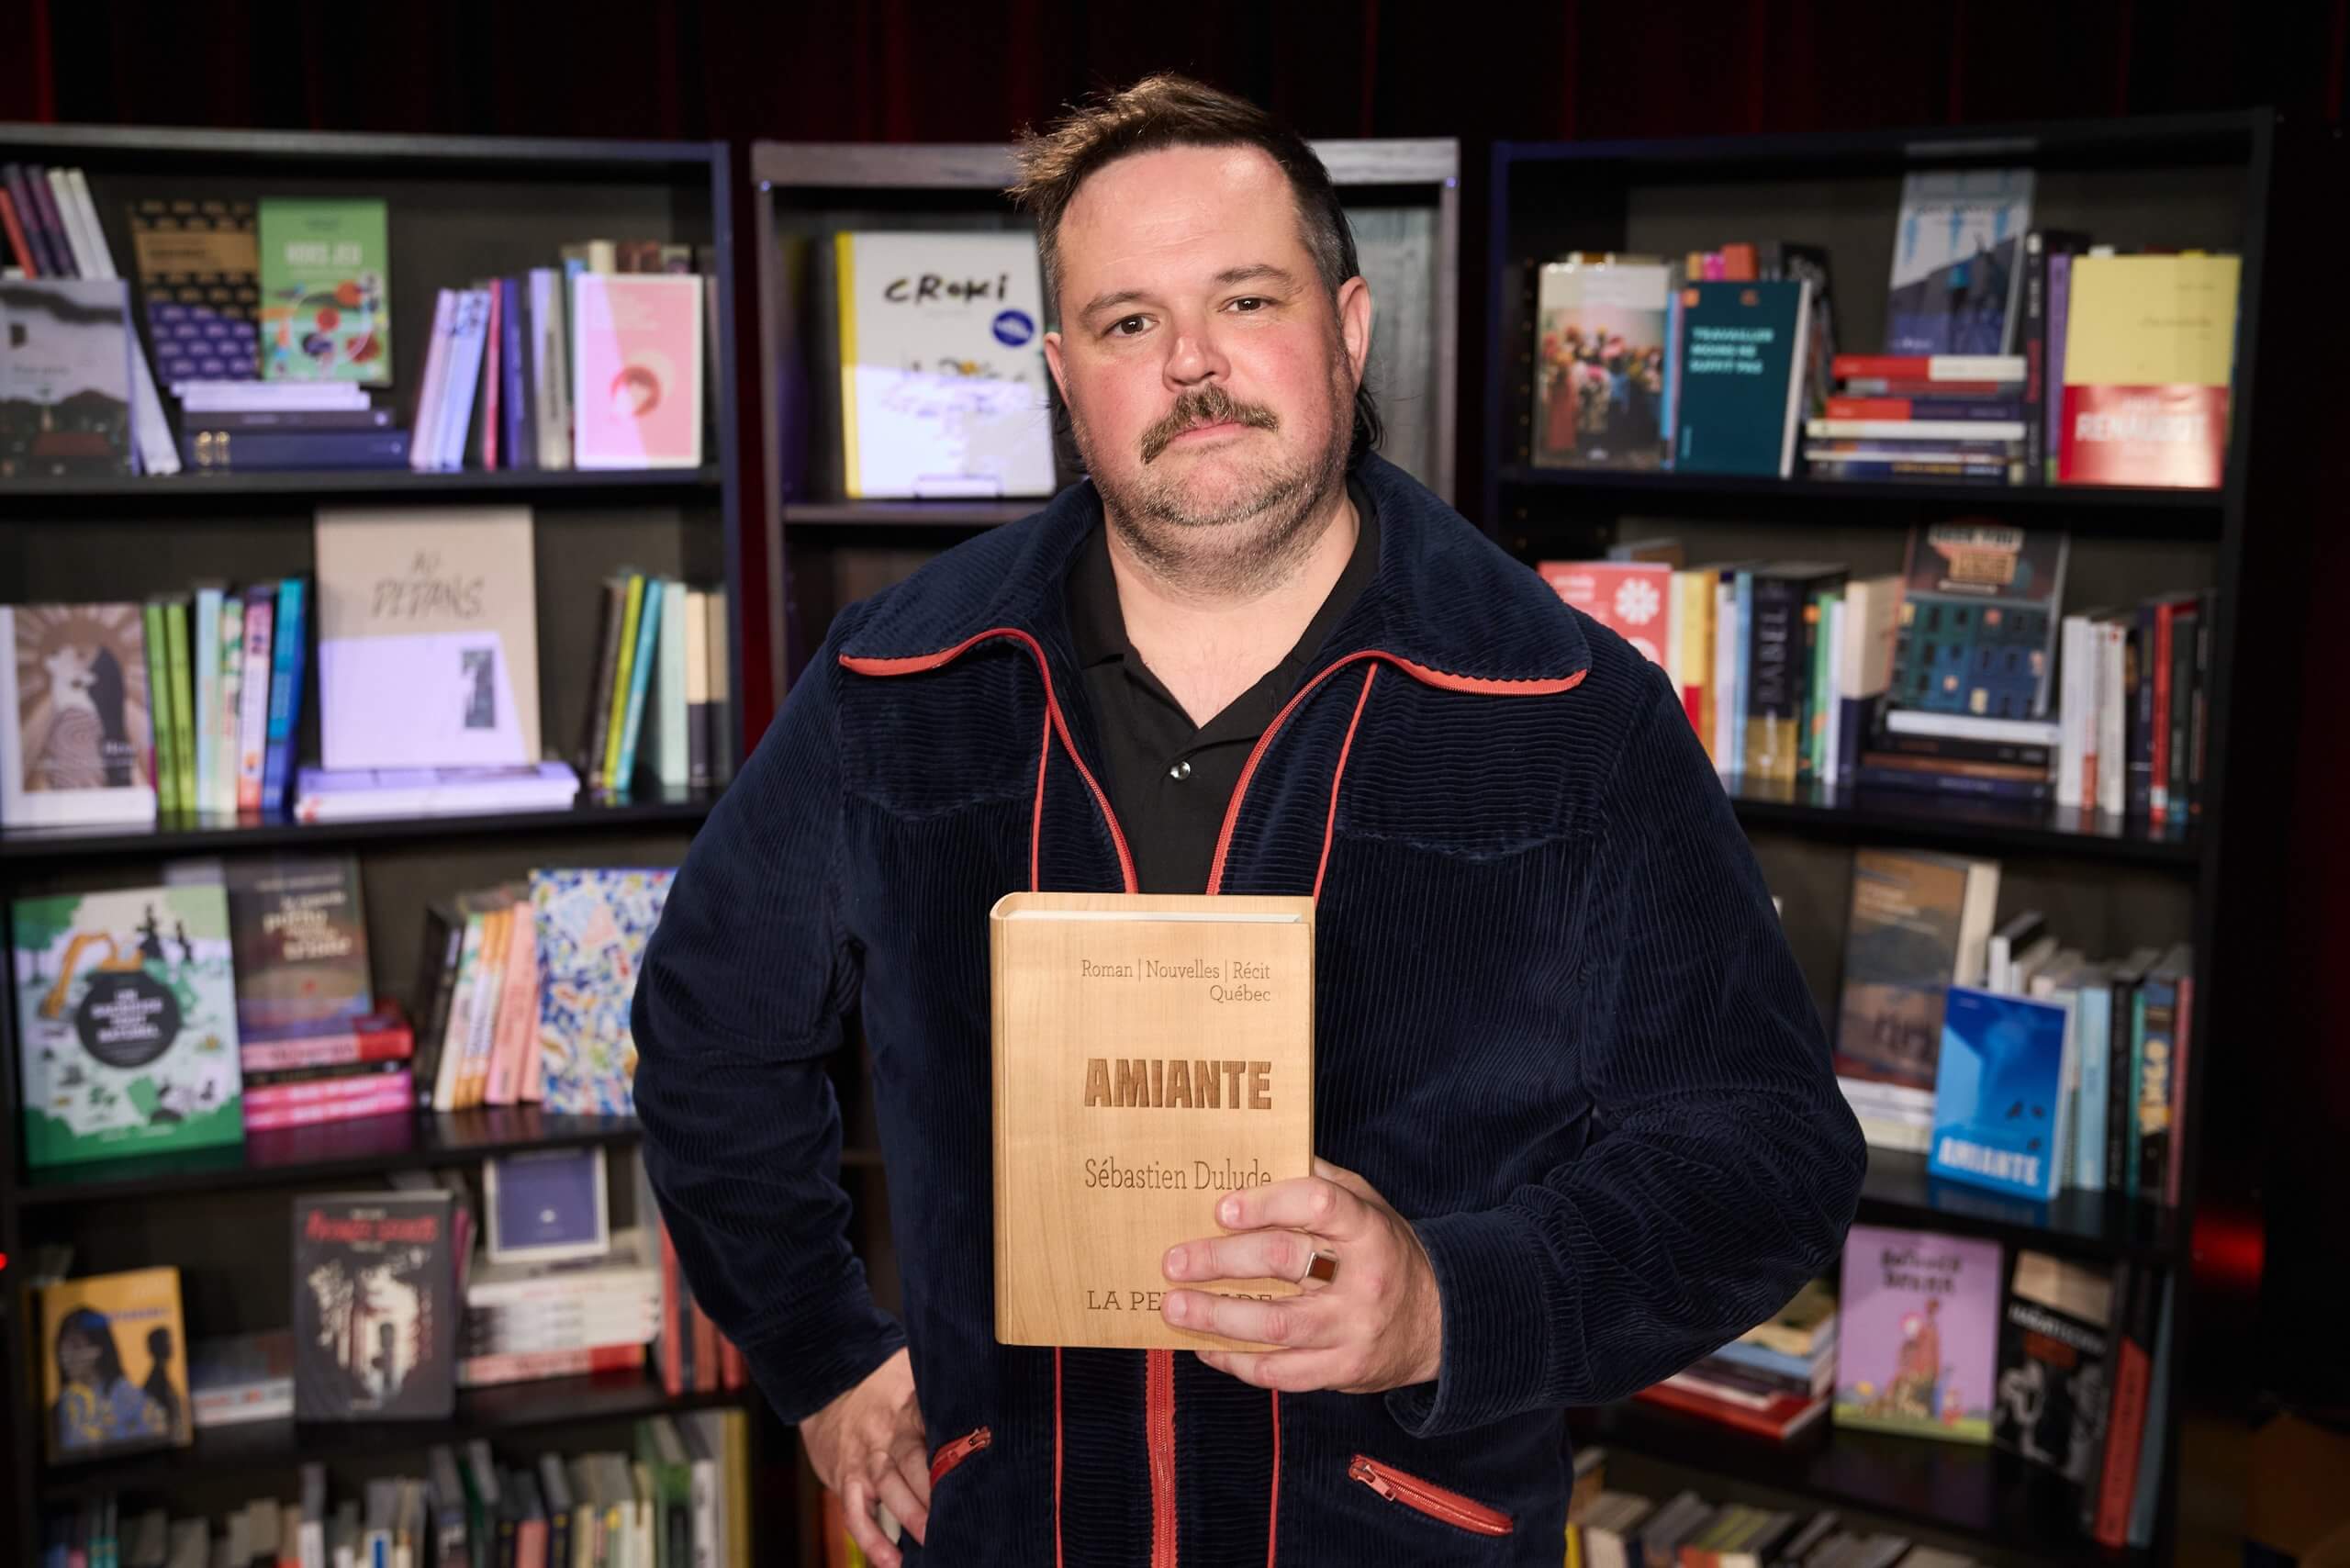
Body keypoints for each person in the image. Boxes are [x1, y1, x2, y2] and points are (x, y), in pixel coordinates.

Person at [633, 73, 1865, 1567]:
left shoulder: (1564, 707)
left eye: (1245, 298)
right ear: (1066, 375)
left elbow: (1766, 1150)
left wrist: (1447, 1302)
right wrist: (822, 1353)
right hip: (1019, 1529)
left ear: (1347, 328)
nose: (1194, 365)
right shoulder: (900, 679)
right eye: (1129, 322)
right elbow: (709, 1033)